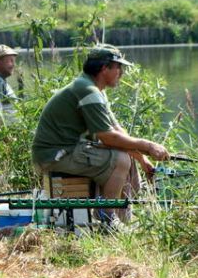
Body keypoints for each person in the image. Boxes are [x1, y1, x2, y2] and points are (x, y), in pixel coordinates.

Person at [32, 44, 169, 224]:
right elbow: (107, 136)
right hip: (55, 155)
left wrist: (142, 159)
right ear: (105, 68)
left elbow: (117, 131)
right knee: (120, 160)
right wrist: (149, 146)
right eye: (118, 68)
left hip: (70, 150)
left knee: (127, 158)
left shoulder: (94, 90)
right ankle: (107, 217)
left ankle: (123, 219)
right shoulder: (87, 91)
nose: (121, 73)